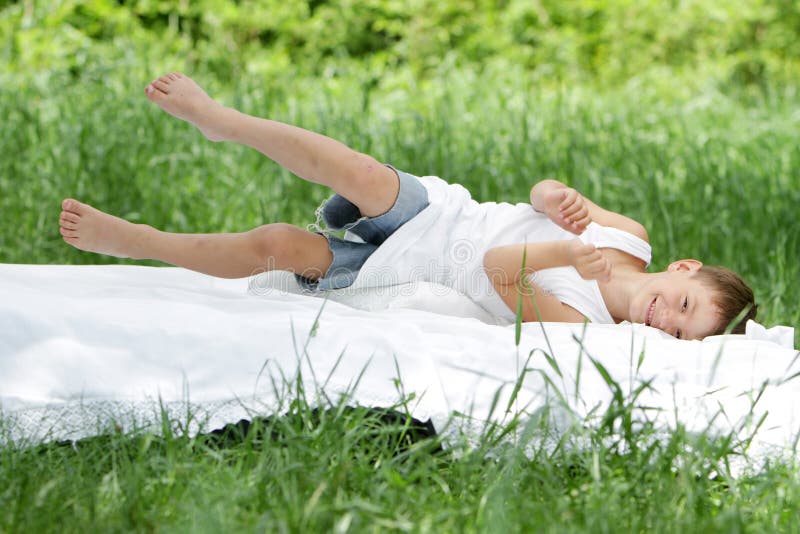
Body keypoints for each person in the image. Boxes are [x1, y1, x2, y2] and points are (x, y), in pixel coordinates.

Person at [58, 72, 756, 340]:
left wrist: (563, 254)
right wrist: (558, 199)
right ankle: (223, 121)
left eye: (678, 336)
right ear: (684, 269)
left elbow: (500, 270)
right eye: (683, 306)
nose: (665, 319)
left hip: (412, 271)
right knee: (358, 169)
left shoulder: (584, 325)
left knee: (278, 242)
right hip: (443, 215)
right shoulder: (629, 237)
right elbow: (539, 196)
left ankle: (144, 240)